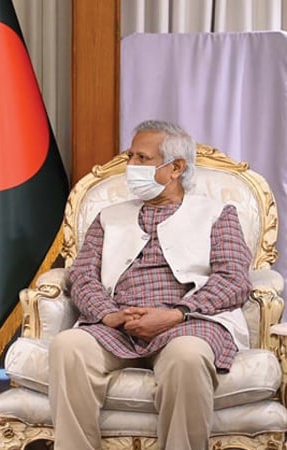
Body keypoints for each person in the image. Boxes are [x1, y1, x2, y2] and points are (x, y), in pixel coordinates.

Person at [48, 120, 252, 450]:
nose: (131, 165)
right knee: (68, 346)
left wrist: (177, 313)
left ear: (176, 168)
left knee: (187, 356)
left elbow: (233, 279)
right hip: (118, 324)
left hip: (190, 323)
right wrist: (109, 315)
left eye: (142, 158)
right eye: (130, 156)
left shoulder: (218, 214)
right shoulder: (108, 217)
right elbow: (82, 275)